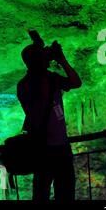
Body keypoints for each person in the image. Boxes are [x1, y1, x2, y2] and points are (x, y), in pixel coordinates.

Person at [17, 31, 82, 201]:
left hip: (61, 146)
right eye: (43, 57)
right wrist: (50, 56)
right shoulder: (27, 85)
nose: (47, 59)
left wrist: (60, 59)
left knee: (63, 192)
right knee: (42, 193)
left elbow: (76, 83)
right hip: (44, 148)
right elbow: (38, 103)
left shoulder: (48, 78)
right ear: (36, 61)